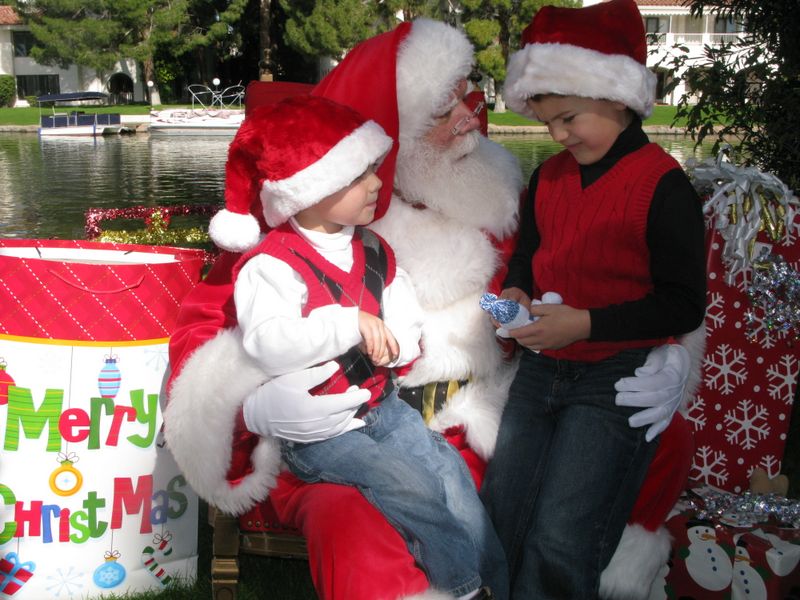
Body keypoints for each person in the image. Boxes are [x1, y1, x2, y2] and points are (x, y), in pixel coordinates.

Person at [164, 17, 700, 600]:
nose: (472, 119)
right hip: (351, 423)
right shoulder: (311, 234)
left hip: (489, 407)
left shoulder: (501, 192)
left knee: (636, 451)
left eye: (469, 99)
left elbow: (593, 277)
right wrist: (256, 403)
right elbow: (211, 334)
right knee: (358, 523)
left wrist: (671, 354)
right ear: (396, 133)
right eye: (446, 113)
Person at [212, 94, 505, 600]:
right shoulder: (272, 264)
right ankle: (464, 588)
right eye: (359, 176)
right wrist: (348, 324)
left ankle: (501, 582)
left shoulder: (370, 247)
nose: (376, 183)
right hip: (319, 429)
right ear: (311, 189)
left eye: (374, 169)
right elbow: (266, 344)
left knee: (448, 473)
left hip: (382, 406)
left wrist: (403, 341)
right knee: (406, 484)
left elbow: (404, 309)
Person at [480, 1, 707, 598]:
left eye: (568, 118)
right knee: (505, 510)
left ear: (617, 98)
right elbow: (529, 255)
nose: (557, 134)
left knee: (563, 532)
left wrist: (584, 323)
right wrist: (516, 292)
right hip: (540, 369)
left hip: (615, 377)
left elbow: (684, 304)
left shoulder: (663, 186)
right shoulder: (547, 179)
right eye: (546, 121)